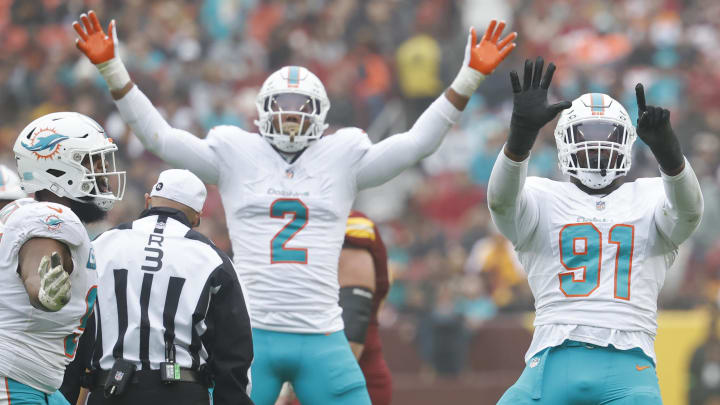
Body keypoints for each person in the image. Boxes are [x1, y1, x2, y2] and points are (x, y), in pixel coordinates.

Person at [72, 10, 517, 404]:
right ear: (262, 111)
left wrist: (469, 77)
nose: (289, 116)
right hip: (251, 333)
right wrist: (112, 68)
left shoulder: (343, 154)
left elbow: (417, 144)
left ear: (320, 113)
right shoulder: (235, 152)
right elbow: (161, 139)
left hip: (321, 333)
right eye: (281, 107)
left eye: (299, 107)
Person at [488, 57, 704, 404]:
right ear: (564, 142)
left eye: (608, 137)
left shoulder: (650, 196)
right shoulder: (541, 195)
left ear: (627, 144)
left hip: (627, 362)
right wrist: (519, 138)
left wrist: (670, 155)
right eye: (587, 136)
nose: (598, 146)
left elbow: (690, 212)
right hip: (554, 353)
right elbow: (500, 202)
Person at [70, 169, 253, 405]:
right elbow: (235, 350)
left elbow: (74, 323)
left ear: (148, 200)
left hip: (110, 388)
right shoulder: (213, 258)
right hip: (182, 391)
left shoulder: (102, 245)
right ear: (197, 217)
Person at [0, 111, 125, 404]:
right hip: (13, 383)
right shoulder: (51, 216)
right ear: (59, 170)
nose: (103, 175)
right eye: (92, 162)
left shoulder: (19, 213)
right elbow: (39, 261)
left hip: (34, 380)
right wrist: (42, 287)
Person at [276, 211, 393, 405]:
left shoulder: (348, 223)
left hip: (344, 380)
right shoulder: (273, 220)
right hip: (294, 376)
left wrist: (288, 394)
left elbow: (352, 331)